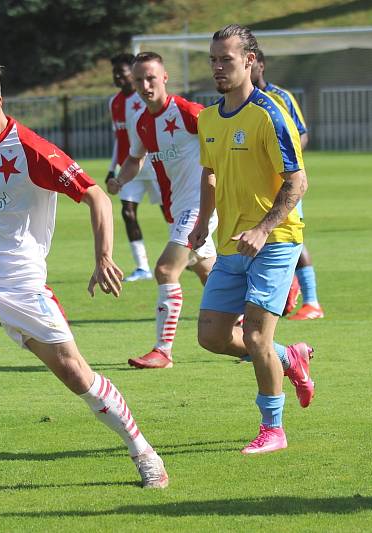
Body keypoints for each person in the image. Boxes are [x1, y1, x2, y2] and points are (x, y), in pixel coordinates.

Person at [0, 61, 169, 503]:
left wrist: (104, 257)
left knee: (77, 374)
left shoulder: (30, 150)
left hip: (22, 280)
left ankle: (144, 451)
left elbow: (96, 195)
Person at [190, 24, 316, 455]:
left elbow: (297, 182)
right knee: (211, 336)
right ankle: (290, 358)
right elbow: (210, 175)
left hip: (275, 240)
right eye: (213, 60)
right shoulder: (208, 118)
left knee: (258, 337)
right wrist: (201, 223)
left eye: (226, 59)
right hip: (229, 242)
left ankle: (273, 428)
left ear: (250, 61)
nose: (218, 68)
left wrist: (263, 230)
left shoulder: (269, 113)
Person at [108, 51, 218, 370]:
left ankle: (163, 350)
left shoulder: (187, 111)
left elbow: (221, 141)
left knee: (166, 270)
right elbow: (134, 159)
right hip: (177, 209)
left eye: (151, 78)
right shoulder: (143, 122)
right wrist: (119, 180)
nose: (144, 85)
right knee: (206, 270)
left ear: (165, 78)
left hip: (200, 205)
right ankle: (244, 329)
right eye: (139, 79)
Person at [251, 50, 324, 320]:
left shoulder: (280, 97)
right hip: (255, 184)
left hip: (284, 181)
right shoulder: (239, 100)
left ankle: (312, 301)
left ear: (260, 65)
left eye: (253, 63)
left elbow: (301, 135)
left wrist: (283, 158)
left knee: (291, 236)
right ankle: (282, 291)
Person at [104, 53, 164, 282]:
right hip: (129, 168)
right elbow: (119, 137)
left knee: (169, 213)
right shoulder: (114, 102)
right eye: (115, 73)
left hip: (153, 165)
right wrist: (112, 169)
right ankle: (142, 267)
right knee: (127, 212)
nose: (118, 76)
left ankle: (187, 253)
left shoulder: (145, 100)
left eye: (122, 72)